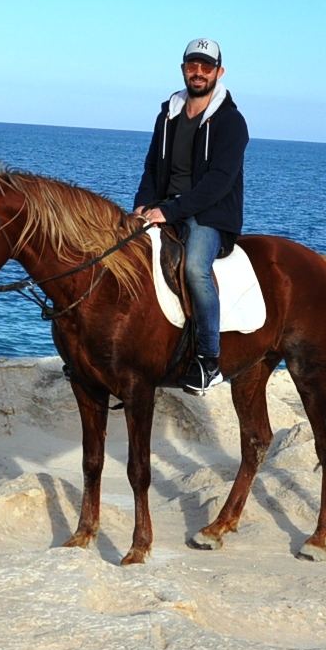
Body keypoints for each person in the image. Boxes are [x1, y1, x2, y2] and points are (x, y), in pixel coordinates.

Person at [132, 38, 247, 395]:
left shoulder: (231, 122)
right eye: (192, 66)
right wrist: (142, 204)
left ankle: (209, 360)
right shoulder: (167, 115)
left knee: (195, 269)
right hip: (165, 207)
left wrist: (170, 210)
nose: (198, 72)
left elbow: (219, 182)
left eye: (206, 67)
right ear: (183, 69)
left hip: (209, 214)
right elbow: (152, 167)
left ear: (219, 72)